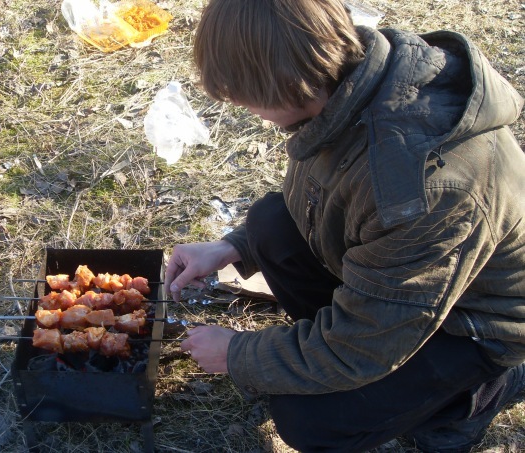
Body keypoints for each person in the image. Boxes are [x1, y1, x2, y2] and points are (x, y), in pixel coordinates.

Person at [163, 0, 525, 451]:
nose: (238, 105)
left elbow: (363, 346)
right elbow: (327, 197)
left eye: (242, 95)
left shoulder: (421, 189)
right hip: (405, 285)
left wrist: (238, 354)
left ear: (285, 83)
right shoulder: (345, 86)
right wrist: (233, 247)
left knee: (311, 420)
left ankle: (479, 395)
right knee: (267, 224)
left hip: (474, 323)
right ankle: (330, 354)